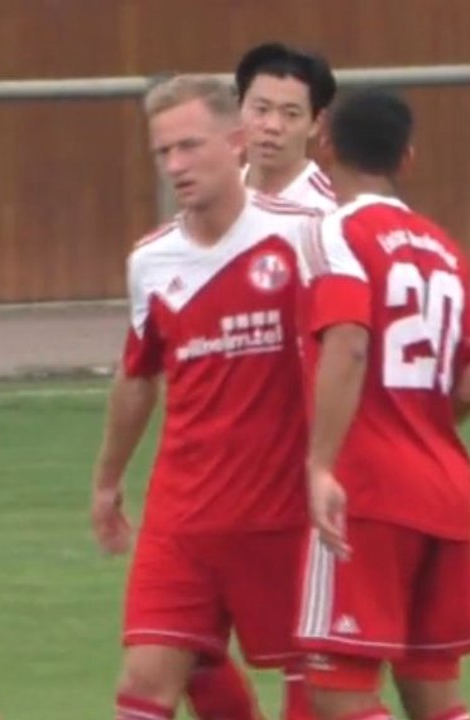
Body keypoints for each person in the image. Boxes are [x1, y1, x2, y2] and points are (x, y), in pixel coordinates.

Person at [92, 73, 326, 720]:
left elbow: (362, 338)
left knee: (321, 691)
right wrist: (107, 481)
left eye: (189, 146)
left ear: (237, 141)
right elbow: (138, 374)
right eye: (163, 153)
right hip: (183, 517)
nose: (175, 166)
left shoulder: (306, 235)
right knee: (145, 682)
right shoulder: (152, 260)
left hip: (285, 512)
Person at [295, 89, 470, 720]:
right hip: (443, 489)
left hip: (367, 489)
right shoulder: (443, 248)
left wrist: (320, 466)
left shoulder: (334, 233)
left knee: (336, 692)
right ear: (407, 158)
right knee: (434, 693)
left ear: (326, 144)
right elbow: (463, 389)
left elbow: (349, 343)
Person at [237, 42, 338, 213]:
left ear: (316, 123)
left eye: (291, 114)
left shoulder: (327, 211)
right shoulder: (215, 196)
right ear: (239, 107)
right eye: (261, 109)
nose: (272, 126)